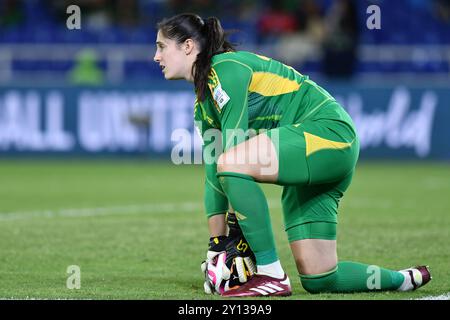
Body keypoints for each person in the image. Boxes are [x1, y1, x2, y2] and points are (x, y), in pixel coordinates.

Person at [153, 13, 432, 297]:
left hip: (327, 134)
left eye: (162, 46)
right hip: (313, 155)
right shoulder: (203, 106)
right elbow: (214, 174)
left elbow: (233, 155)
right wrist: (216, 244)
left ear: (188, 46)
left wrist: (236, 237)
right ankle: (401, 280)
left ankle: (271, 273)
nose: (155, 56)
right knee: (319, 277)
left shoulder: (226, 68)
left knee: (233, 161)